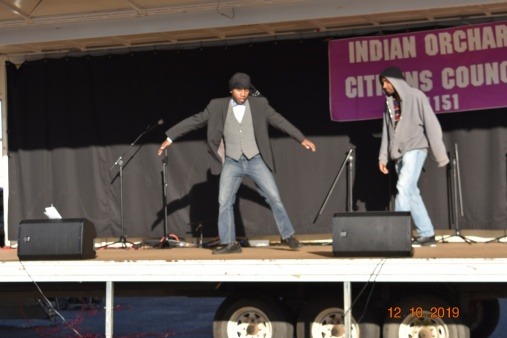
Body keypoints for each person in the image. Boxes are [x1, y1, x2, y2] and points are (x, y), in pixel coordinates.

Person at [158, 72, 316, 254]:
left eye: (246, 90)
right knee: (224, 201)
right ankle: (230, 243)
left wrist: (301, 138)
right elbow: (196, 120)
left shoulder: (260, 105)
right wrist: (170, 138)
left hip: (255, 159)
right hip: (232, 162)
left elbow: (279, 121)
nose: (243, 94)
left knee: (274, 197)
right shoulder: (217, 105)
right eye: (239, 90)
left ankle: (288, 235)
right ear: (231, 90)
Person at [378, 66, 449, 247]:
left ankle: (397, 235)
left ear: (397, 80)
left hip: (416, 148)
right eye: (382, 83)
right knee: (411, 193)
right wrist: (383, 157)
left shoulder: (417, 96)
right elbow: (387, 132)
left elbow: (431, 124)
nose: (384, 86)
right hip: (398, 155)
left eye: (387, 81)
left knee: (403, 187)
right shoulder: (388, 105)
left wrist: (440, 154)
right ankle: (427, 233)